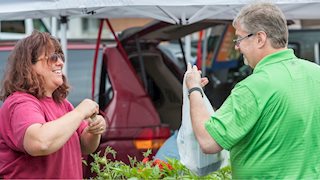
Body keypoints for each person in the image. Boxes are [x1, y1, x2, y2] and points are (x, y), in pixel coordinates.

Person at [185, 2, 320, 179]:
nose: (236, 46)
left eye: (239, 38)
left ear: (260, 38)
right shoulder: (315, 73)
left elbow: (208, 141)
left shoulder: (254, 86)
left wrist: (194, 89)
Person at [0, 31, 106, 179]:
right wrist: (79, 113)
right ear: (29, 65)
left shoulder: (63, 104)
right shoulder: (21, 103)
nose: (61, 62)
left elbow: (86, 146)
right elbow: (40, 142)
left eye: (60, 56)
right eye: (52, 57)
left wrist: (94, 131)